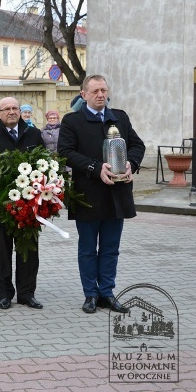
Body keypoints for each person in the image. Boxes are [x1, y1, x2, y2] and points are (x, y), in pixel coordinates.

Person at [57, 74, 145, 314]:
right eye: (95, 91)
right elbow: (65, 152)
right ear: (83, 94)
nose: (100, 95)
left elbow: (138, 145)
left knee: (110, 248)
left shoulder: (120, 118)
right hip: (88, 195)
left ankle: (107, 292)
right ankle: (90, 295)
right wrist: (95, 168)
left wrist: (132, 164)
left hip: (117, 195)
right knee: (88, 249)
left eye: (104, 90)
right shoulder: (73, 121)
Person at [0, 97, 45, 310]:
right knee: (2, 252)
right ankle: (5, 294)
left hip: (29, 202)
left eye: (15, 108)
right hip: (0, 203)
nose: (11, 112)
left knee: (29, 251)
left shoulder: (33, 133)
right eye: (6, 109)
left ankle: (26, 293)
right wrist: (7, 178)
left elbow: (43, 161)